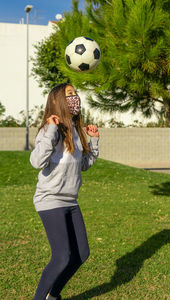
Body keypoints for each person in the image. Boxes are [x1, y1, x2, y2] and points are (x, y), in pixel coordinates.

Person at [30, 83, 100, 300]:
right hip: (49, 199)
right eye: (69, 94)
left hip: (70, 201)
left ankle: (53, 295)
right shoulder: (48, 130)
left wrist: (94, 141)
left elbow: (84, 164)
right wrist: (51, 129)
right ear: (56, 101)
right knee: (61, 257)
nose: (75, 98)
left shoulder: (76, 132)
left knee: (81, 254)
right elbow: (36, 161)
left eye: (75, 94)